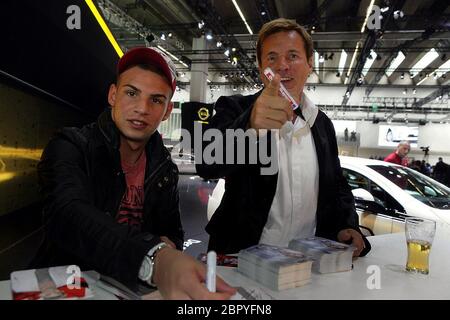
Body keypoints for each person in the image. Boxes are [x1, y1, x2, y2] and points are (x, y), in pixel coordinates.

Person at [34, 47, 235, 299]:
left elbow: (172, 234)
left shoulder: (164, 168)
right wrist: (153, 256)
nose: (142, 108)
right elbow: (66, 214)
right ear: (113, 95)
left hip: (129, 288)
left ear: (167, 111)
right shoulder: (70, 145)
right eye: (131, 93)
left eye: (156, 100)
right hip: (64, 286)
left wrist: (167, 246)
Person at [196, 18, 371, 257]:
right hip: (243, 260)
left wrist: (347, 224)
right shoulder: (236, 108)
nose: (282, 66)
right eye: (272, 58)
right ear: (261, 67)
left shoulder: (322, 124)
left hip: (307, 263)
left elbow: (336, 184)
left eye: (292, 56)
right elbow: (207, 162)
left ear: (310, 62)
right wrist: (250, 126)